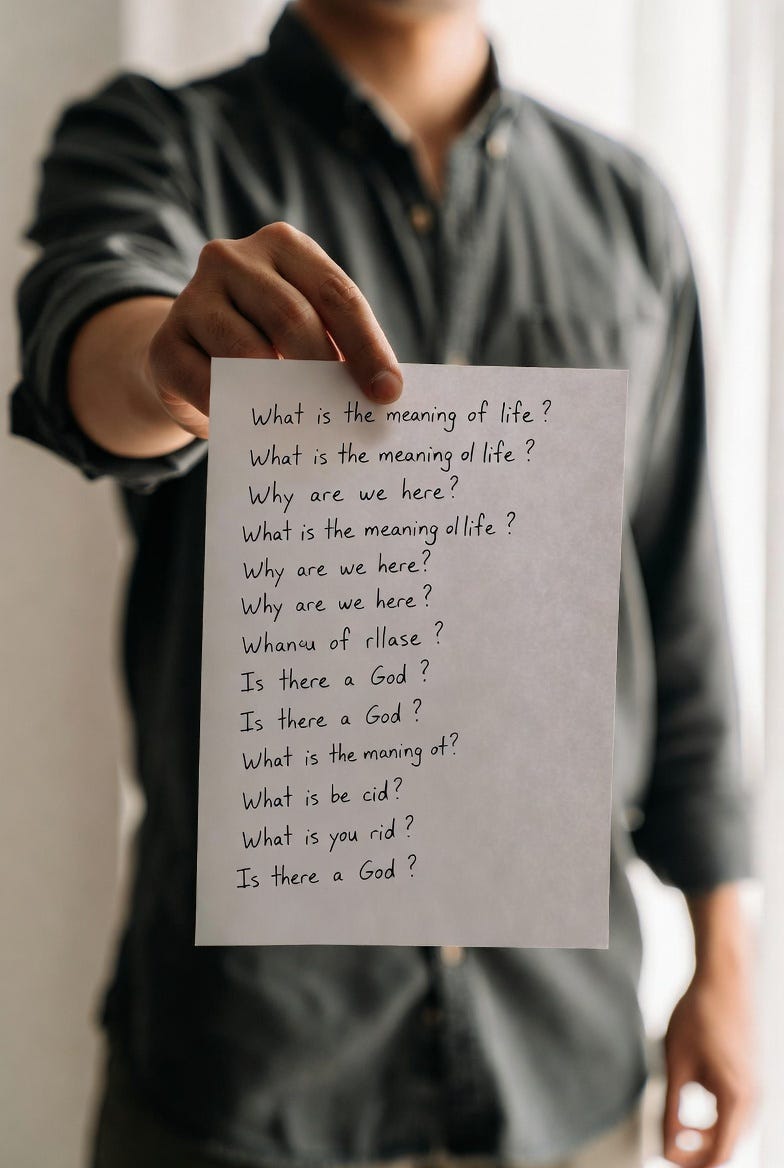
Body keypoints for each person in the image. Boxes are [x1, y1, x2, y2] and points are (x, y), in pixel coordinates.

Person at [11, 1, 756, 1166]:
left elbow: (677, 607)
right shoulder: (159, 140)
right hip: (244, 1081)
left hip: (565, 1073)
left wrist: (726, 953)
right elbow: (89, 336)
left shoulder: (624, 206)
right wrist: (167, 361)